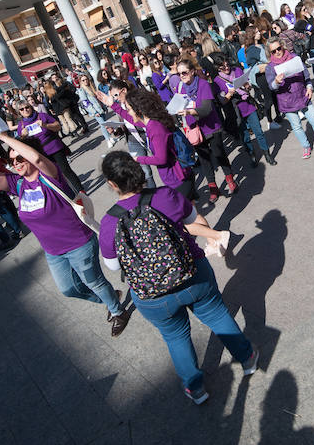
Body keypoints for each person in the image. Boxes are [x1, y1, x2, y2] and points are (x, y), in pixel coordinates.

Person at [97, 151, 256, 404]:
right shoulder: (165, 195)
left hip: (152, 296)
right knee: (216, 315)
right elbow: (194, 221)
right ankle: (247, 359)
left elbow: (114, 267)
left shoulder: (109, 221)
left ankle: (196, 389)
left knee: (176, 336)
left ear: (112, 184)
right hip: (191, 273)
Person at [0, 129, 132, 336]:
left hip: (79, 243)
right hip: (52, 251)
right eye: (12, 160)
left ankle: (117, 311)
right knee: (68, 289)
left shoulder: (51, 174)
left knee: (94, 281)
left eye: (20, 158)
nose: (16, 163)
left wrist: (4, 137)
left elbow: (38, 159)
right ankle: (109, 297)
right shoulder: (18, 183)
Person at [174, 57, 238, 203]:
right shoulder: (180, 88)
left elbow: (207, 108)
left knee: (218, 153)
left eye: (184, 73)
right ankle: (213, 187)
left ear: (191, 72)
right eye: (179, 74)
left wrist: (190, 112)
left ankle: (230, 179)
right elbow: (178, 105)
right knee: (204, 159)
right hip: (194, 128)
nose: (181, 76)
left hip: (210, 126)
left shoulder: (203, 84)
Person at [125, 88, 197, 200]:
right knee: (193, 215)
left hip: (177, 178)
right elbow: (131, 118)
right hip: (180, 175)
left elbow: (160, 159)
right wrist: (112, 105)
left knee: (182, 216)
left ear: (138, 109)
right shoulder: (153, 121)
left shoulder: (155, 128)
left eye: (129, 109)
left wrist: (137, 159)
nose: (128, 112)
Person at [211, 52, 276, 167]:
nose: (226, 68)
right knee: (245, 137)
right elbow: (223, 102)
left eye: (227, 64)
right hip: (236, 111)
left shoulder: (237, 70)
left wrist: (247, 86)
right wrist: (229, 95)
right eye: (223, 66)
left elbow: (247, 86)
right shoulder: (217, 81)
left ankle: (267, 154)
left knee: (259, 132)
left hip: (248, 106)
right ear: (217, 67)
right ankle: (252, 156)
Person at [14, 98, 84, 194]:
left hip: (54, 147)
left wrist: (45, 125)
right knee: (52, 176)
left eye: (27, 107)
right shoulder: (21, 125)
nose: (25, 110)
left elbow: (58, 126)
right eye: (22, 109)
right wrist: (22, 136)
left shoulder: (41, 116)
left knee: (65, 170)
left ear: (30, 107)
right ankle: (68, 195)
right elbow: (22, 145)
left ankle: (81, 191)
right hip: (40, 155)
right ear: (19, 112)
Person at [77, 73, 114, 148]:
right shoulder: (82, 90)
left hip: (100, 108)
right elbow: (85, 103)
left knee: (105, 123)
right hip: (95, 111)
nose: (85, 81)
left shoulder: (92, 86)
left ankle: (110, 138)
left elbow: (98, 98)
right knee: (103, 125)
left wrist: (104, 107)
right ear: (81, 82)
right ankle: (108, 140)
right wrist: (94, 112)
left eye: (86, 79)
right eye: (83, 80)